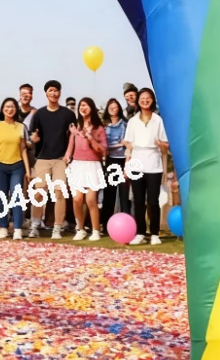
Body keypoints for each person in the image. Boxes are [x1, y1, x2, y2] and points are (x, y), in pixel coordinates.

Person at [26, 81, 76, 239]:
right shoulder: (39, 114)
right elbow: (33, 136)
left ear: (60, 93)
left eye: (56, 90)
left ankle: (57, 227)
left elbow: (73, 136)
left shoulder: (68, 114)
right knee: (39, 191)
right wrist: (34, 139)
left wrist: (68, 156)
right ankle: (35, 225)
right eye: (50, 90)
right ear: (46, 93)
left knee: (59, 192)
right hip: (42, 158)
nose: (54, 93)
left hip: (61, 159)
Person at [124, 87, 169, 245]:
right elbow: (128, 146)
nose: (145, 100)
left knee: (153, 201)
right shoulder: (133, 121)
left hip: (154, 164)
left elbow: (165, 145)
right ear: (138, 101)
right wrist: (127, 166)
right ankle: (140, 233)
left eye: (148, 98)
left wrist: (160, 145)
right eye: (142, 98)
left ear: (152, 100)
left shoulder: (158, 120)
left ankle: (155, 233)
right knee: (138, 201)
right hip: (137, 163)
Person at [0, 97, 31, 239]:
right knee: (2, 197)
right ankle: (3, 227)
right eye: (7, 107)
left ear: (16, 109)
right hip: (0, 166)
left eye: (12, 107)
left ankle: (17, 228)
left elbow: (23, 149)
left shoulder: (21, 127)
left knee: (16, 196)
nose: (10, 109)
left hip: (17, 166)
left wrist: (28, 171)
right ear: (2, 109)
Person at [66, 97, 107, 241]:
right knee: (77, 199)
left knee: (90, 200)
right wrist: (67, 158)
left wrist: (90, 138)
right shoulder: (76, 127)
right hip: (77, 165)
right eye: (81, 106)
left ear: (92, 108)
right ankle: (80, 229)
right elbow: (71, 146)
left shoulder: (98, 128)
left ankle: (95, 230)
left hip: (92, 165)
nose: (83, 108)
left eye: (86, 105)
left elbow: (103, 150)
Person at [100, 98, 130, 231]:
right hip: (110, 160)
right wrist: (117, 144)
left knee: (124, 193)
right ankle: (105, 224)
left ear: (119, 108)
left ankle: (127, 223)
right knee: (109, 192)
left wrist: (118, 145)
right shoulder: (104, 126)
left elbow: (127, 142)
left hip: (123, 159)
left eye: (115, 107)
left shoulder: (125, 124)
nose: (113, 109)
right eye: (110, 107)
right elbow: (104, 145)